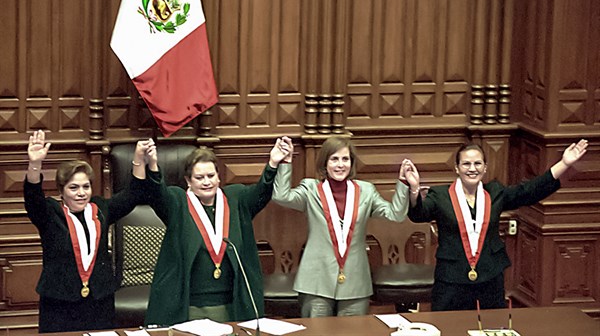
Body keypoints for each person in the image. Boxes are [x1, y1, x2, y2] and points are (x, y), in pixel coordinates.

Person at [403, 139, 589, 311]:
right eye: (466, 164)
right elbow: (418, 214)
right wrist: (414, 189)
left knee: (492, 325)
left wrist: (564, 163)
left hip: (490, 276)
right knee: (449, 326)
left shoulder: (495, 192)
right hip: (451, 279)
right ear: (457, 168)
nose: (472, 169)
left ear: (485, 168)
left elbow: (529, 191)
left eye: (477, 163)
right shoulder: (440, 195)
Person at [142, 137, 293, 326]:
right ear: (188, 181)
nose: (206, 182)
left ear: (219, 177)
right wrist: (152, 165)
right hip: (188, 308)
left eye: (211, 176)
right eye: (199, 178)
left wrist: (273, 163)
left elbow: (262, 192)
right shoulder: (177, 202)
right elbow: (157, 193)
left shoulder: (236, 198)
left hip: (232, 306)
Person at [24, 130, 156, 333]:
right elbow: (33, 197)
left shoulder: (100, 209)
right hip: (59, 303)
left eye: (86, 187)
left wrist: (138, 159)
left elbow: (133, 194)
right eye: (73, 188)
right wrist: (35, 164)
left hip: (99, 300)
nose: (81, 193)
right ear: (61, 191)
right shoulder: (51, 213)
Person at [271, 136, 411, 317]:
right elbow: (281, 196)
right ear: (325, 163)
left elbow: (396, 214)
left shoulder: (366, 191)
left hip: (355, 280)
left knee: (352, 330)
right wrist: (285, 162)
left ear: (351, 163)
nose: (340, 165)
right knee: (317, 331)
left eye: (345, 159)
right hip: (316, 281)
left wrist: (403, 183)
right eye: (334, 159)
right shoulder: (310, 189)